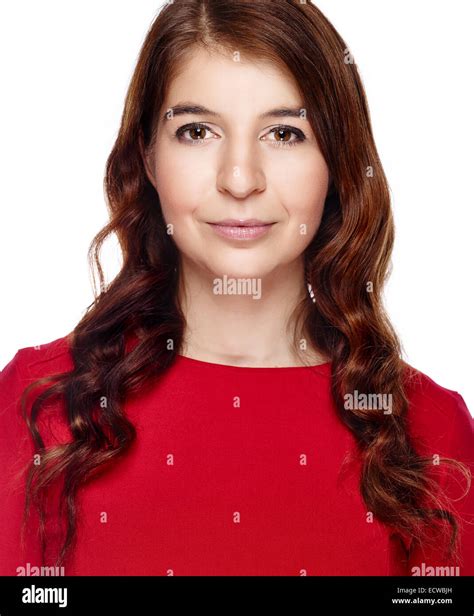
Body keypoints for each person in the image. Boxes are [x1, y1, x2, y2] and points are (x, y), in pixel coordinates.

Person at [1, 0, 473, 576]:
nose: (240, 179)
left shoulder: (430, 427)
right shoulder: (38, 403)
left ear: (337, 162)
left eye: (284, 132)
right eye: (197, 131)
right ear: (147, 156)